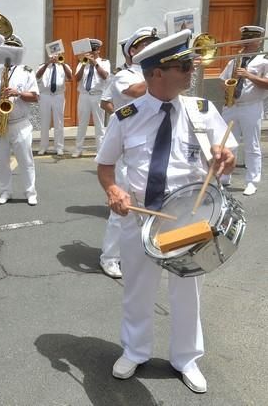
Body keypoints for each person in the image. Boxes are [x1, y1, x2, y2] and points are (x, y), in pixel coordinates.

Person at [96, 29, 236, 393]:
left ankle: (186, 357)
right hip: (141, 216)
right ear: (157, 72)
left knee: (187, 290)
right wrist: (113, 190)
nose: (192, 71)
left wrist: (225, 159)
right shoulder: (126, 116)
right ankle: (135, 350)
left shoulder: (202, 110)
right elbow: (106, 165)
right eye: (184, 66)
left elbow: (225, 158)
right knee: (137, 289)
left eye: (190, 63)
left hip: (190, 217)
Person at [99, 27, 159, 279]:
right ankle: (110, 257)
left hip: (154, 144)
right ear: (132, 51)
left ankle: (143, 250)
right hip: (128, 147)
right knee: (122, 207)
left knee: (151, 203)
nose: (151, 48)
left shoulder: (155, 72)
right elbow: (136, 92)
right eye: (146, 45)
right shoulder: (124, 75)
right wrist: (163, 70)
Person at [219, 25, 268, 196]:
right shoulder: (235, 60)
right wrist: (227, 87)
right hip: (232, 105)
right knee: (227, 143)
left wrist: (249, 76)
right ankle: (225, 177)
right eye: (243, 39)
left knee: (251, 145)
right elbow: (223, 80)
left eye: (248, 40)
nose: (244, 43)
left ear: (258, 41)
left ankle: (252, 181)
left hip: (251, 107)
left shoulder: (264, 60)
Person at [0, 36, 40, 206]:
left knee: (25, 159)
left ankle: (30, 192)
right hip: (0, 123)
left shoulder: (26, 72)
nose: (9, 53)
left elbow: (35, 97)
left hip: (20, 123)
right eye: (6, 49)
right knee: (2, 160)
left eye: (13, 49)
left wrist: (17, 93)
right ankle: (5, 191)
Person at [73, 39, 111, 157]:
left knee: (99, 125)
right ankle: (78, 149)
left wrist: (94, 63)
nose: (91, 53)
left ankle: (100, 151)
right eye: (89, 51)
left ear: (98, 51)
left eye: (93, 51)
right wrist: (84, 64)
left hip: (97, 95)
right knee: (82, 124)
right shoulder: (82, 63)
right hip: (84, 95)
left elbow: (105, 76)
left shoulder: (104, 62)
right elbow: (77, 78)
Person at [36, 50, 73, 156]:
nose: (55, 57)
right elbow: (37, 76)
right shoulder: (43, 66)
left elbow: (70, 77)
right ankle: (43, 146)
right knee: (44, 122)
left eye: (57, 55)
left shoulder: (64, 66)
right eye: (52, 55)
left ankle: (59, 147)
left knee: (59, 122)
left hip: (58, 95)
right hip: (45, 95)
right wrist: (47, 64)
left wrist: (63, 64)